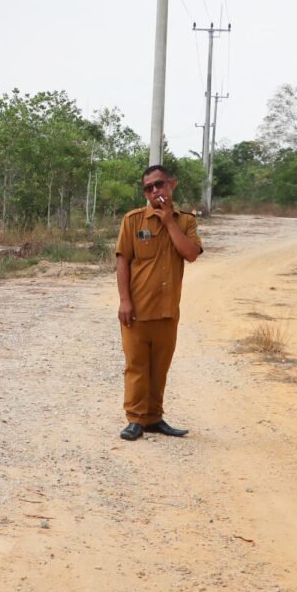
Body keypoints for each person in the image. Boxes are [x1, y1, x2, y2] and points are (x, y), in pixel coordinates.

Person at [114, 164, 203, 441]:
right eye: (149, 188)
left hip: (167, 310)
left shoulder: (185, 222)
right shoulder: (133, 220)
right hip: (137, 310)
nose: (155, 191)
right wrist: (124, 301)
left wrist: (169, 222)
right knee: (137, 366)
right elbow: (123, 261)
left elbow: (191, 254)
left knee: (159, 368)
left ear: (171, 184)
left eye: (159, 184)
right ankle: (135, 419)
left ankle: (154, 418)